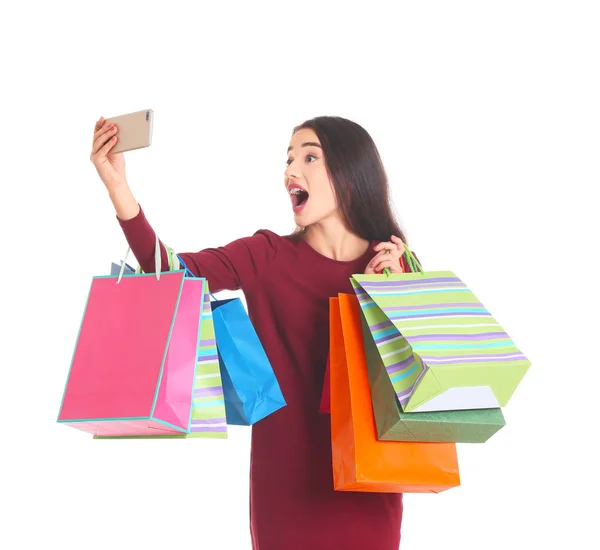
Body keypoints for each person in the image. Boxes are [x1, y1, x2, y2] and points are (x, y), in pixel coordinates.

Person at [91, 114, 419, 550]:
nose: (290, 171)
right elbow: (170, 275)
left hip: (371, 482)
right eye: (288, 159)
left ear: (350, 171)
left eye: (309, 156)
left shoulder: (391, 264)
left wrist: (399, 286)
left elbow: (421, 386)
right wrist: (119, 191)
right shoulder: (267, 255)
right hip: (286, 488)